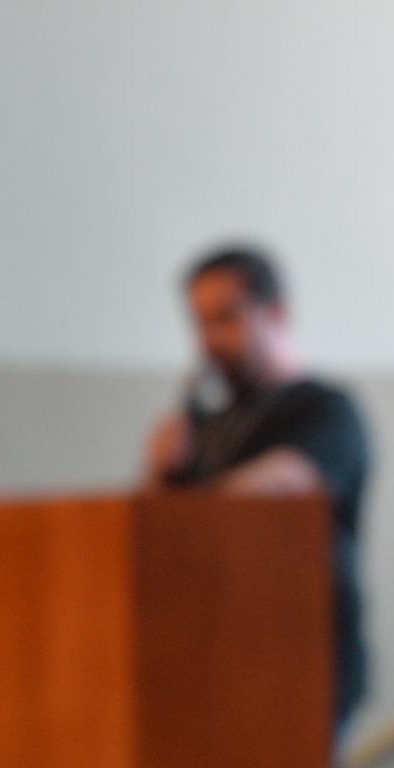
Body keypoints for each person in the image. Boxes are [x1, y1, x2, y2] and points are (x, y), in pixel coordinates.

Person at [143, 244, 369, 732]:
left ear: (276, 313)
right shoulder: (208, 424)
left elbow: (282, 487)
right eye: (199, 322)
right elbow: (163, 542)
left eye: (225, 317)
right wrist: (162, 475)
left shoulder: (326, 410)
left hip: (303, 664)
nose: (208, 340)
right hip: (215, 662)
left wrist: (194, 503)